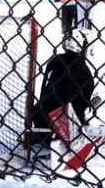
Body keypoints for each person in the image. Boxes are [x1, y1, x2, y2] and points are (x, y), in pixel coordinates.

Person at [25, 33, 95, 161]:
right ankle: (63, 140)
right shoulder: (83, 69)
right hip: (63, 128)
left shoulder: (55, 60)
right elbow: (78, 101)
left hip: (41, 118)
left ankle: (45, 136)